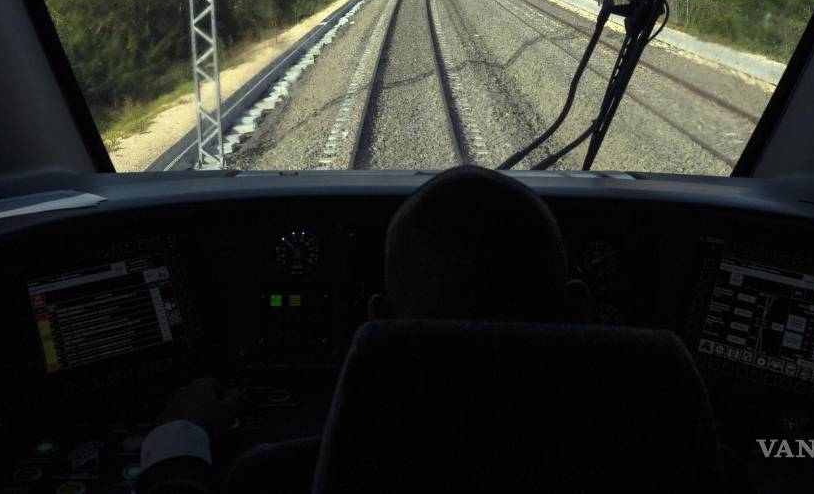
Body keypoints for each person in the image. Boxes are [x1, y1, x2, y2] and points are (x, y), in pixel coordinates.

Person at [138, 166, 591, 493]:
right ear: (577, 310)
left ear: (380, 323)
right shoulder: (646, 447)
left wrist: (177, 440)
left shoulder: (286, 474)